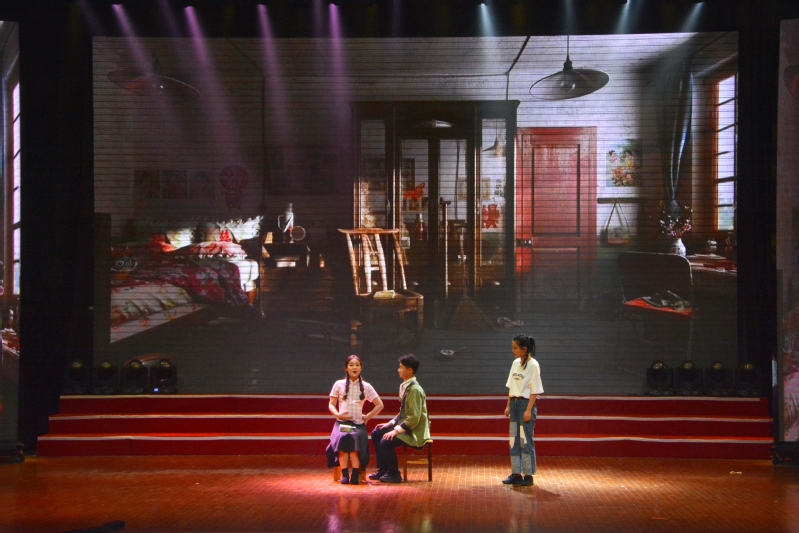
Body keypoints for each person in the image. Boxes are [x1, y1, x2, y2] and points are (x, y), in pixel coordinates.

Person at [369, 354, 429, 484]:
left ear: (410, 370)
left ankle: (394, 474)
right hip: (406, 426)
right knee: (377, 433)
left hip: (414, 431)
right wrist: (390, 423)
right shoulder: (405, 386)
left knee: (386, 441)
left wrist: (395, 431)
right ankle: (383, 469)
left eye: (401, 367)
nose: (398, 369)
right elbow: (403, 412)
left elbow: (414, 417)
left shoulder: (414, 389)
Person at [326, 355, 384, 485]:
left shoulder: (366, 386)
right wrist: (338, 415)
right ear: (346, 368)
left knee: (355, 439)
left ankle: (355, 473)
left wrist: (367, 417)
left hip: (358, 424)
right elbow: (331, 404)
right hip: (342, 423)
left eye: (357, 365)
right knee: (343, 437)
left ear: (361, 368)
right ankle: (345, 473)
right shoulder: (338, 384)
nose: (354, 367)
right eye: (351, 365)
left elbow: (380, 405)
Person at [502, 334, 544, 487]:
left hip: (525, 404)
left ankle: (528, 474)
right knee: (514, 440)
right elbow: (511, 385)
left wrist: (528, 410)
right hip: (514, 403)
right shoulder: (515, 363)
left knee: (525, 440)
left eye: (515, 348)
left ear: (524, 349)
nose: (513, 350)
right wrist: (508, 405)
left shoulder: (533, 365)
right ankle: (516, 473)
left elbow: (535, 390)